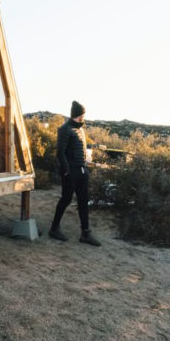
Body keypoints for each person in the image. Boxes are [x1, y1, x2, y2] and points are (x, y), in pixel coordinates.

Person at [50, 100, 101, 246]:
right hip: (71, 172)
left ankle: (85, 233)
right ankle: (54, 229)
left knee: (84, 202)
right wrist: (66, 171)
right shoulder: (65, 129)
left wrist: (85, 166)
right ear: (78, 114)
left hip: (82, 170)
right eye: (83, 114)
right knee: (65, 200)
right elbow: (60, 152)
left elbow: (81, 150)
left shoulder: (81, 130)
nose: (84, 117)